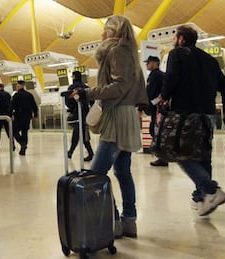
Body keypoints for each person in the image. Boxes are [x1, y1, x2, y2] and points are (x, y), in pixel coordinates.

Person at [75, 15, 148, 238]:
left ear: (114, 31)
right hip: (127, 115)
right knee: (122, 171)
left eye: (106, 30)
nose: (102, 34)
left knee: (95, 174)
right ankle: (129, 221)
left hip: (117, 117)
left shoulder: (117, 50)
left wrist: (89, 93)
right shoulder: (130, 53)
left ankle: (113, 221)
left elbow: (119, 86)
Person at [160, 25, 225, 216]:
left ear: (182, 39)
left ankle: (211, 190)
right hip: (207, 115)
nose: (174, 40)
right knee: (203, 156)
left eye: (176, 37)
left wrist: (164, 96)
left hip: (185, 114)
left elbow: (171, 78)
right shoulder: (210, 60)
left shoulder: (177, 54)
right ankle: (202, 198)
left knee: (179, 153)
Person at [142, 56, 168, 167]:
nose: (147, 64)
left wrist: (145, 104)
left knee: (155, 130)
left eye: (148, 63)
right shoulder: (161, 75)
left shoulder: (155, 75)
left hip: (157, 107)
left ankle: (162, 157)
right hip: (160, 107)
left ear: (154, 63)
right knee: (156, 130)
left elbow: (151, 91)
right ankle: (162, 157)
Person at [65, 71, 93, 161]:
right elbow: (92, 100)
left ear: (74, 77)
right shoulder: (86, 87)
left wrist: (71, 108)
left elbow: (68, 101)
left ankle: (71, 152)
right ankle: (89, 153)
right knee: (83, 132)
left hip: (76, 113)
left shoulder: (71, 88)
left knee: (77, 133)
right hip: (85, 113)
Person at [9, 80, 38, 156]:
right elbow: (34, 106)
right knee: (25, 132)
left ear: (19, 86)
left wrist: (9, 115)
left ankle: (22, 144)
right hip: (27, 117)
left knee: (14, 132)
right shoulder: (29, 95)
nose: (16, 87)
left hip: (18, 116)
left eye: (17, 86)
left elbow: (12, 106)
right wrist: (35, 115)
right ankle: (23, 150)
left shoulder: (16, 95)